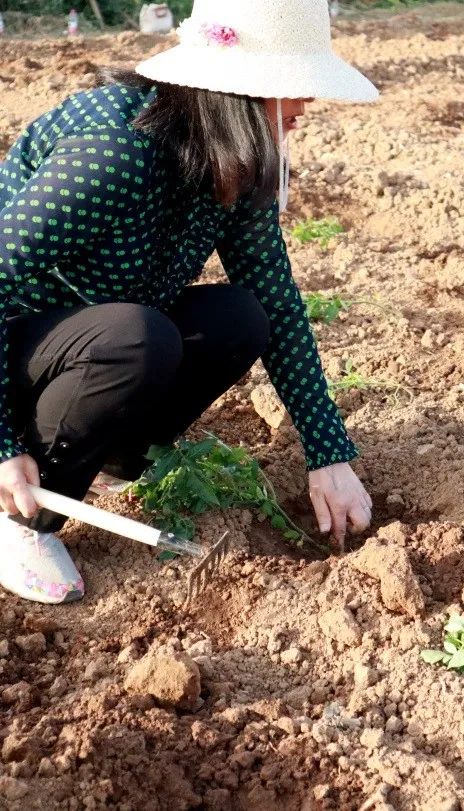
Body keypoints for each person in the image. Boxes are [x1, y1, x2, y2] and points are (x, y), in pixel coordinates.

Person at [0, 0, 378, 604]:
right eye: (294, 87)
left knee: (240, 317)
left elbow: (277, 304)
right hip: (19, 350)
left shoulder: (232, 158)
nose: (307, 105)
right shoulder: (114, 153)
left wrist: (327, 453)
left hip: (98, 351)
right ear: (239, 93)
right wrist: (2, 444)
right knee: (136, 336)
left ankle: (116, 450)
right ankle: (24, 516)